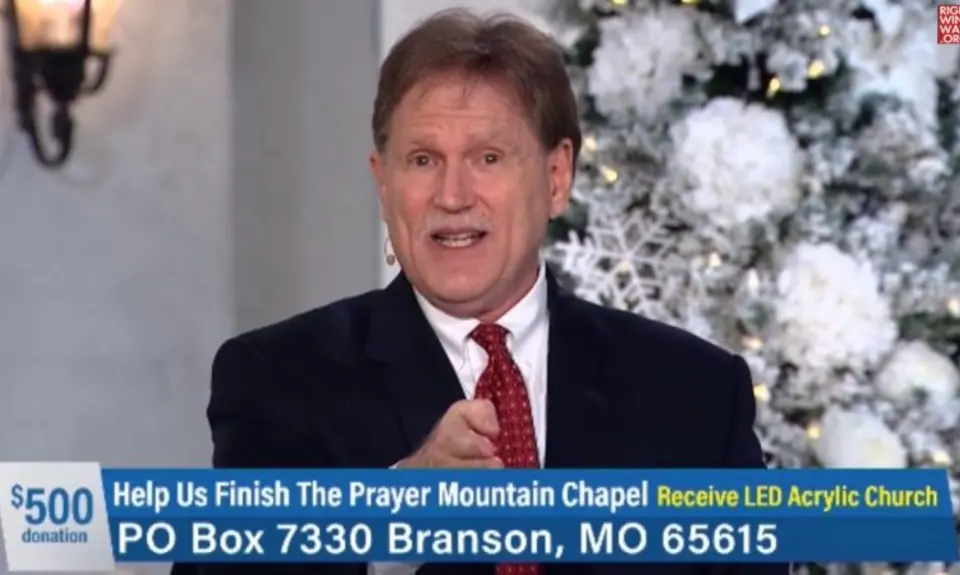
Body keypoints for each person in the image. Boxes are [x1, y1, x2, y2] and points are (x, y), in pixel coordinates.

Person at [176, 8, 789, 575]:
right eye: (423, 160)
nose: (452, 196)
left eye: (488, 158)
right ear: (384, 185)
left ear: (556, 178)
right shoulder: (277, 378)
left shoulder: (697, 391)